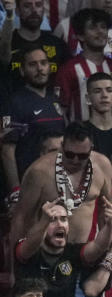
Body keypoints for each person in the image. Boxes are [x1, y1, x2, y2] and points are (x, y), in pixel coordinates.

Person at [11, 121, 112, 245]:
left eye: (82, 156)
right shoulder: (39, 171)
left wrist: (105, 249)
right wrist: (15, 261)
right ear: (62, 146)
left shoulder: (102, 165)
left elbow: (106, 211)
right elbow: (21, 218)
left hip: (83, 251)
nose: (75, 160)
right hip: (45, 251)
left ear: (91, 149)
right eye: (69, 154)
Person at [1, 43, 65, 190]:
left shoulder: (54, 99)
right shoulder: (13, 103)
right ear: (22, 71)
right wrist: (15, 190)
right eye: (32, 64)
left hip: (57, 181)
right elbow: (7, 151)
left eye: (43, 63)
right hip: (30, 183)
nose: (40, 68)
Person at [54, 8, 112, 123]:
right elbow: (61, 109)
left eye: (103, 27)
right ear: (81, 36)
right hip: (81, 137)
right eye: (93, 27)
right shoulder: (69, 69)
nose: (100, 31)